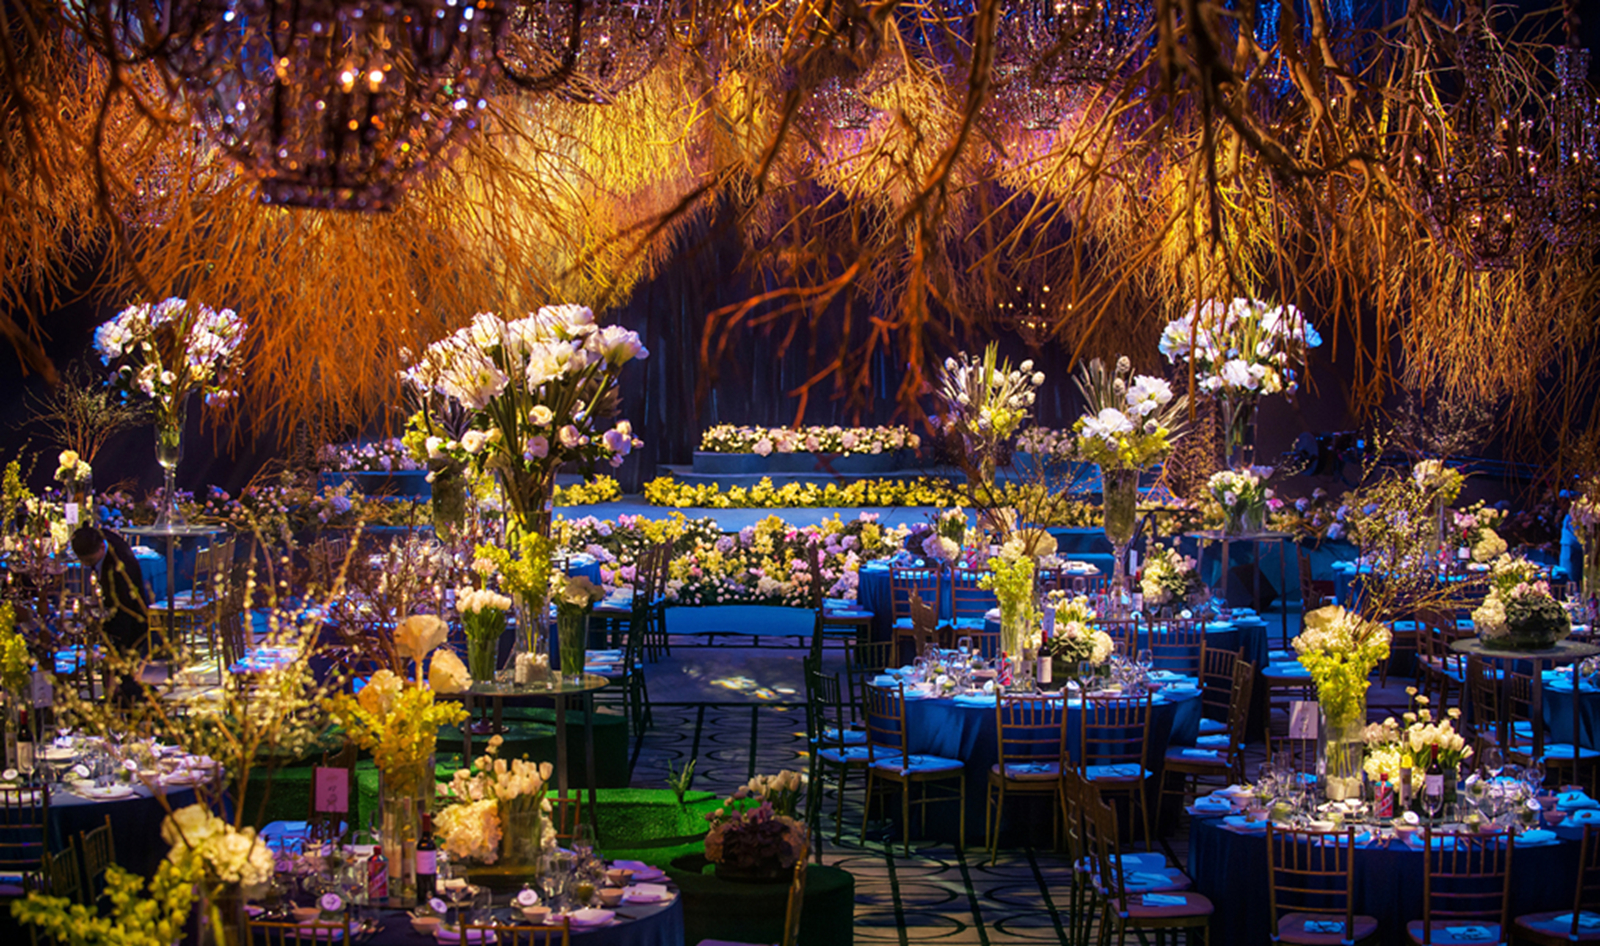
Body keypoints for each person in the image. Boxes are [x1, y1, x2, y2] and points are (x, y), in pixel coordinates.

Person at [70, 525, 149, 702]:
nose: (86, 565)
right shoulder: (99, 538)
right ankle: (115, 702)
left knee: (124, 677)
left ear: (101, 547)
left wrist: (117, 645)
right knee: (113, 673)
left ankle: (146, 704)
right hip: (116, 616)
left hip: (131, 622)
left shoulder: (121, 567)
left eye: (90, 560)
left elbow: (125, 609)